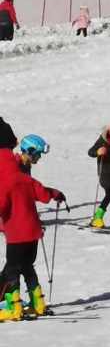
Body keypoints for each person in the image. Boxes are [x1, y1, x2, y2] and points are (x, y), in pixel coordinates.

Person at [0, 135, 64, 320]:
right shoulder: (27, 179)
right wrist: (56, 193)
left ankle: (14, 308)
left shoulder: (6, 181)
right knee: (28, 267)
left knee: (13, 269)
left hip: (16, 235)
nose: (38, 158)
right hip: (33, 233)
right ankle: (39, 304)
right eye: (37, 154)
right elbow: (44, 195)